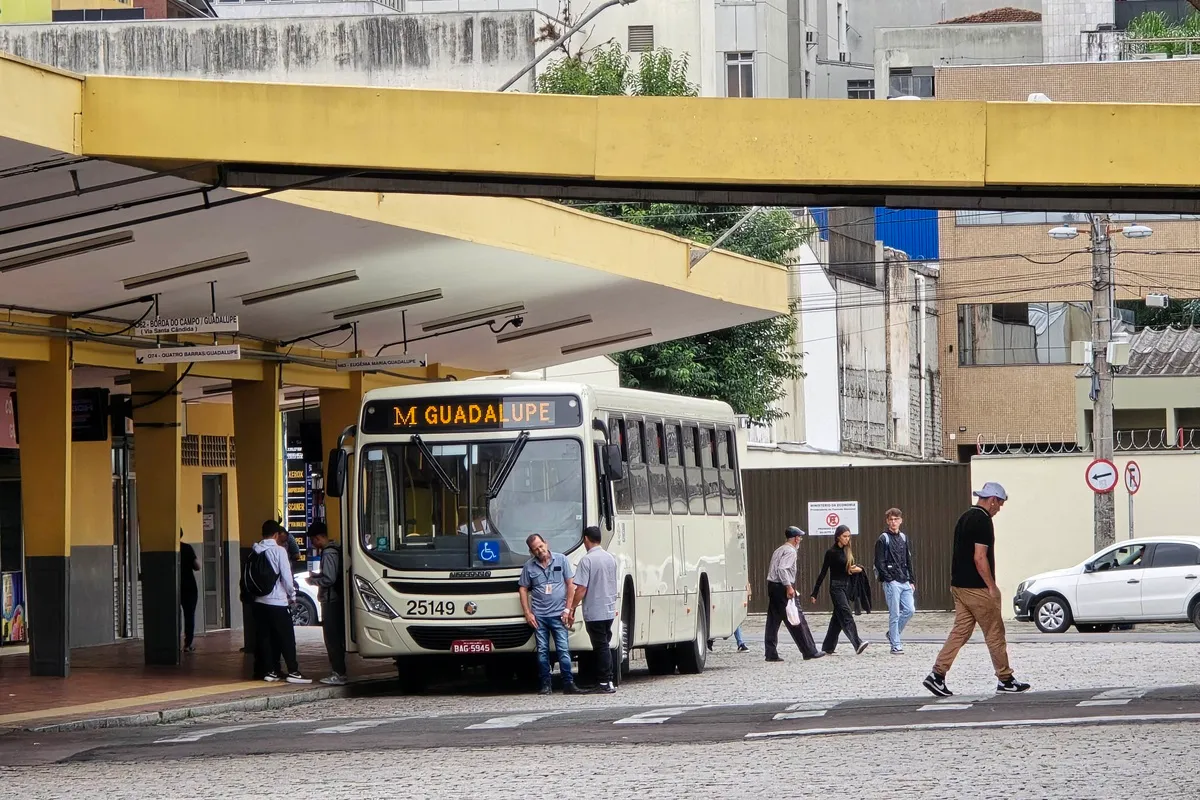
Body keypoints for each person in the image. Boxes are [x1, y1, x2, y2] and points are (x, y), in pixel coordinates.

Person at [924, 482, 1030, 697]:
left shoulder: (964, 517)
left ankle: (937, 675)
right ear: (992, 500)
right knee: (995, 632)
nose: (999, 508)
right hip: (976, 587)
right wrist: (992, 587)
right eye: (999, 503)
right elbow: (979, 557)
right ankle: (1006, 679)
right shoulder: (983, 521)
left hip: (959, 585)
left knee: (961, 631)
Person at [518, 533, 581, 695]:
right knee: (542, 651)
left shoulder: (561, 560)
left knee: (563, 649)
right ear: (531, 552)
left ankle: (568, 683)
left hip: (560, 614)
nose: (540, 550)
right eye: (535, 549)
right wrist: (527, 613)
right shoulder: (529, 567)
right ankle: (545, 685)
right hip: (539, 616)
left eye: (541, 546)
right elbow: (523, 588)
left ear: (546, 543)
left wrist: (568, 609)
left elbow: (571, 585)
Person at [252, 520, 311, 685]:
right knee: (286, 637)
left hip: (259, 601)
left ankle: (270, 670)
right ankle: (293, 671)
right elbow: (286, 576)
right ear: (276, 535)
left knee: (265, 637)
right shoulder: (279, 551)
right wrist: (292, 595)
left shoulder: (255, 550)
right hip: (277, 601)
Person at [568, 525, 619, 694]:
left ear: (586, 540)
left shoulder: (586, 560)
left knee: (601, 646)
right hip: (609, 609)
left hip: (595, 611)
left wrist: (572, 607)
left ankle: (605, 681)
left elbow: (581, 589)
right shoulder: (610, 558)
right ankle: (609, 680)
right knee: (606, 643)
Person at [763, 526, 824, 662]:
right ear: (796, 538)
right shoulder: (790, 551)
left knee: (773, 620)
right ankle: (809, 650)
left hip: (772, 586)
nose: (801, 539)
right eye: (800, 537)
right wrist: (789, 587)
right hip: (782, 587)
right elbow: (782, 569)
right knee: (796, 618)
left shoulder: (779, 550)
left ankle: (770, 652)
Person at [810, 525, 869, 655]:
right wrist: (815, 592)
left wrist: (859, 568)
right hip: (836, 588)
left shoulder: (847, 551)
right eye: (844, 536)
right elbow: (823, 572)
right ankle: (857, 643)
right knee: (846, 613)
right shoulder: (831, 552)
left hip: (846, 587)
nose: (847, 539)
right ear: (838, 537)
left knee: (837, 619)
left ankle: (828, 647)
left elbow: (849, 568)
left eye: (848, 536)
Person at [306, 522, 347, 686]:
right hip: (334, 599)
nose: (313, 544)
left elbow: (329, 578)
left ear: (318, 538)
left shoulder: (329, 553)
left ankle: (339, 672)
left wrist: (313, 580)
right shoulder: (335, 550)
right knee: (335, 638)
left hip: (331, 600)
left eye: (313, 541)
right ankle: (339, 671)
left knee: (332, 639)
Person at [875, 508, 916, 654]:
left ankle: (893, 634)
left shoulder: (903, 538)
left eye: (896, 519)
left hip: (904, 580)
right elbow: (879, 562)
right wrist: (889, 579)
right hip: (892, 581)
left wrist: (911, 579)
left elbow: (908, 559)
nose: (893, 522)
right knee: (895, 613)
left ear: (901, 520)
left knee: (910, 610)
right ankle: (896, 644)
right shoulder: (883, 539)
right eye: (891, 519)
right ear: (887, 521)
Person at [179, 528, 200, 653]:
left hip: (174, 587)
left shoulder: (171, 551)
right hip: (189, 587)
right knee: (189, 615)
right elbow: (197, 566)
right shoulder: (187, 548)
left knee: (173, 615)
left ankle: (173, 642)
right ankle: (188, 644)